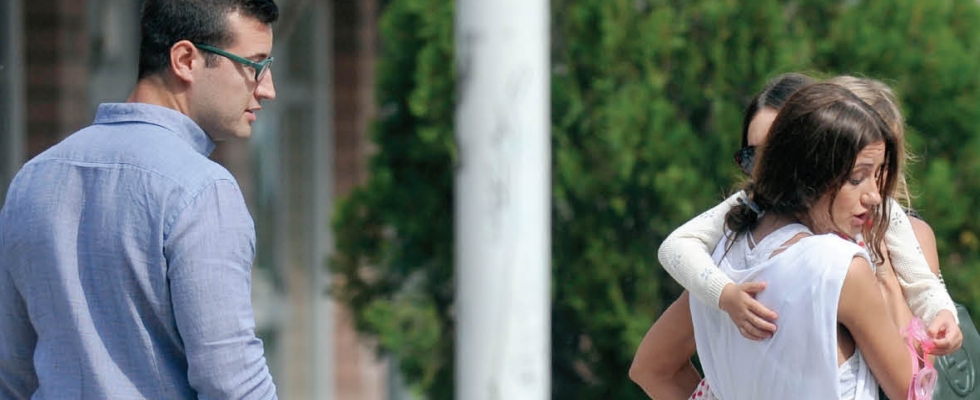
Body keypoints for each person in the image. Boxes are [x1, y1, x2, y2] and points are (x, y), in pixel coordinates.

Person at [0, 0, 279, 398]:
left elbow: (12, 373)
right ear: (185, 60)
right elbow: (233, 384)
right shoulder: (202, 190)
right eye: (255, 66)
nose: (268, 89)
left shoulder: (33, 179)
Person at [629, 75, 961, 399]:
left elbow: (652, 368)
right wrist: (724, 294)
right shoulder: (827, 263)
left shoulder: (729, 254)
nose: (764, 170)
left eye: (875, 174)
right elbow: (912, 390)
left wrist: (935, 307)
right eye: (752, 157)